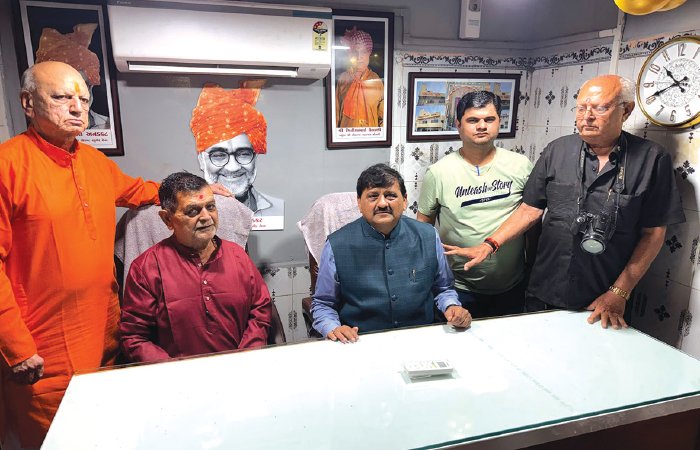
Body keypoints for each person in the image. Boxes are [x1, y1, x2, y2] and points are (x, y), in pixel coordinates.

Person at [0, 61, 159, 449]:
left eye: (84, 99)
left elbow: (138, 191)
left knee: (106, 435)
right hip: (43, 350)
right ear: (28, 103)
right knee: (59, 440)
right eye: (61, 97)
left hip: (106, 334)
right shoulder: (7, 165)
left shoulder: (93, 161)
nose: (77, 108)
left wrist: (193, 189)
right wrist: (16, 347)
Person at [458, 75, 685, 329]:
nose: (587, 116)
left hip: (604, 299)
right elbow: (530, 210)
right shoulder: (557, 150)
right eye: (581, 107)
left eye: (600, 108)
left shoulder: (652, 159)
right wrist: (490, 245)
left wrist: (619, 292)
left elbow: (653, 235)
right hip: (545, 290)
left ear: (626, 110)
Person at [311, 164, 472, 343]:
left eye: (390, 196)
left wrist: (451, 306)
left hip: (420, 338)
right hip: (361, 341)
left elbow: (443, 289)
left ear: (405, 201)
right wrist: (334, 328)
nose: (382, 204)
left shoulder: (428, 235)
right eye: (373, 196)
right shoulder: (336, 244)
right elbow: (323, 304)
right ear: (359, 203)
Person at [120, 172, 271, 362]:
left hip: (240, 369)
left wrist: (246, 356)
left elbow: (260, 310)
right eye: (193, 211)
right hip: (177, 376)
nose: (206, 217)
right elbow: (134, 337)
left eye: (211, 207)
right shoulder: (146, 269)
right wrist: (176, 370)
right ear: (167, 219)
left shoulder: (238, 256)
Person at [417, 91, 534, 318]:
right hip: (458, 288)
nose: (481, 126)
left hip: (513, 286)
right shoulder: (439, 173)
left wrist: (533, 264)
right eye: (472, 120)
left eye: (489, 119)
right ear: (458, 125)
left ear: (499, 122)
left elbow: (531, 220)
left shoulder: (521, 165)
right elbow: (424, 229)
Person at [191, 83, 283, 218]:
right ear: (201, 160)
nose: (233, 167)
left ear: (255, 158)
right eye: (219, 155)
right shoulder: (182, 215)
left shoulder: (276, 209)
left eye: (244, 154)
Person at [34, 23, 110, 129]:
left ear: (91, 87)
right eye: (62, 94)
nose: (77, 106)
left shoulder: (106, 124)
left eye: (83, 86)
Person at [335, 27, 384, 128]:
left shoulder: (376, 81)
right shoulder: (343, 79)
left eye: (364, 52)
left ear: (369, 53)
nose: (359, 57)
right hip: (346, 136)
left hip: (371, 136)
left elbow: (383, 117)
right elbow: (335, 114)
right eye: (355, 52)